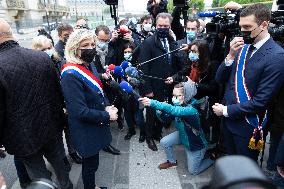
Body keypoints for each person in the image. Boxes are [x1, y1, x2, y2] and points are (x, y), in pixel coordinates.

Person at [0, 18, 72, 189]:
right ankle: (66, 185)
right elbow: (59, 91)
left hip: (22, 136)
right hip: (51, 126)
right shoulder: (41, 56)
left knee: (38, 175)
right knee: (59, 163)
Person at [212, 3, 284, 161]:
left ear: (264, 25)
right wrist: (230, 55)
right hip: (229, 123)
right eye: (240, 26)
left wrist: (225, 111)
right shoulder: (241, 47)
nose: (242, 30)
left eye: (247, 26)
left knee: (245, 171)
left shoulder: (277, 56)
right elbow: (219, 79)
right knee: (232, 164)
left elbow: (260, 101)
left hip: (248, 127)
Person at [61, 29, 118, 189]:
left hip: (95, 123)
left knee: (93, 164)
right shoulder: (70, 74)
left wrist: (107, 105)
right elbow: (78, 111)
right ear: (74, 48)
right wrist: (107, 115)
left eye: (93, 44)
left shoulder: (89, 64)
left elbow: (98, 89)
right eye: (85, 45)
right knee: (90, 166)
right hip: (86, 129)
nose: (91, 48)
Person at [139, 82, 213, 175]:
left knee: (193, 171)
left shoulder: (192, 110)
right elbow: (166, 119)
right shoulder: (180, 105)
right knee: (164, 142)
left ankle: (212, 157)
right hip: (184, 135)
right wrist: (160, 112)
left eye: (178, 96)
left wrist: (153, 103)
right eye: (174, 95)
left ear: (187, 96)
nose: (174, 98)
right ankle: (172, 162)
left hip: (195, 145)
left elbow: (175, 111)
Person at [139, 12, 183, 151]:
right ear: (155, 25)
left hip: (168, 85)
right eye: (160, 25)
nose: (162, 28)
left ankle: (158, 133)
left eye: (166, 25)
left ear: (170, 26)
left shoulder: (172, 40)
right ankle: (149, 137)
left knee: (163, 111)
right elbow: (143, 68)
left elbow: (176, 62)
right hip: (153, 86)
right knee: (151, 113)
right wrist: (148, 90)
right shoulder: (148, 42)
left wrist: (175, 78)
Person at [93, 25, 121, 156]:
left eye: (106, 40)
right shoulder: (90, 51)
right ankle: (102, 141)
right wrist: (101, 75)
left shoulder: (112, 46)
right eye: (101, 40)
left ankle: (106, 140)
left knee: (110, 107)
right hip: (96, 86)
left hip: (110, 84)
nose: (103, 43)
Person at [122, 43, 146, 142]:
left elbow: (143, 81)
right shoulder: (121, 64)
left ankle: (143, 133)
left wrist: (131, 79)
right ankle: (131, 131)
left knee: (139, 118)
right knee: (127, 116)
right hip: (126, 97)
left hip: (137, 96)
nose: (127, 54)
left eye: (130, 52)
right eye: (125, 52)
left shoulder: (139, 64)